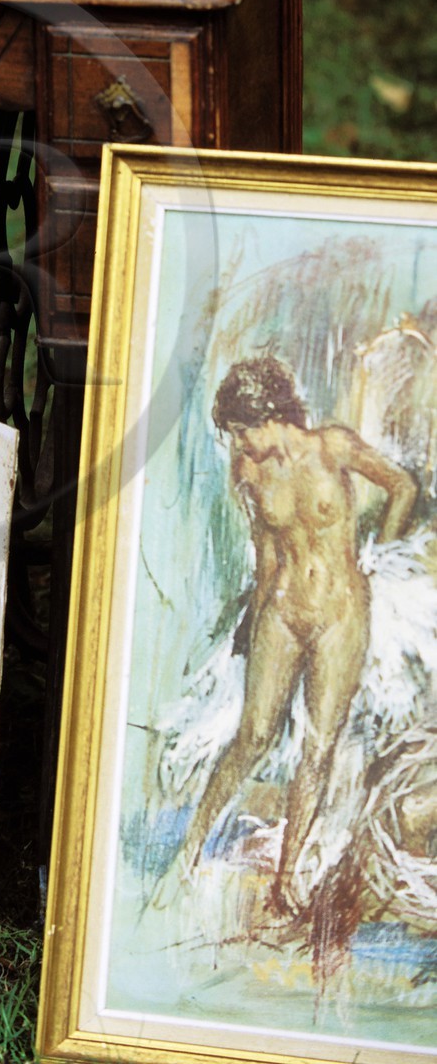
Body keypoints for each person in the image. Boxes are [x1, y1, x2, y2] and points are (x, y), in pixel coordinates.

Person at [178, 354, 418, 910]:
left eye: (240, 432)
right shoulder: (251, 474)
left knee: (319, 746)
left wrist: (379, 554)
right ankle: (191, 847)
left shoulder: (332, 446)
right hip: (284, 608)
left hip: (341, 612)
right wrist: (250, 621)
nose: (238, 445)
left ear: (265, 417)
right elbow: (265, 559)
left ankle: (286, 882)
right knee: (253, 735)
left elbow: (401, 486)